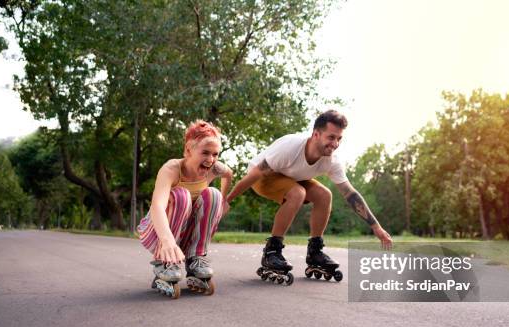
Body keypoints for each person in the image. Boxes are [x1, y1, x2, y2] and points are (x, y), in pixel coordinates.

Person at [226, 110, 392, 275]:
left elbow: (350, 194)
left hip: (292, 178)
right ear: (316, 134)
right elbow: (255, 173)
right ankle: (272, 252)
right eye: (331, 137)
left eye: (339, 139)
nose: (335, 144)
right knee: (298, 193)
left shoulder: (331, 161)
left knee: (324, 195)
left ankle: (315, 252)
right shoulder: (290, 147)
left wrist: (376, 227)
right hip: (262, 178)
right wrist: (227, 201)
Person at [137, 120, 232, 290]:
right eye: (205, 153)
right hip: (158, 232)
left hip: (187, 231)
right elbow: (157, 206)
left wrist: (225, 199)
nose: (211, 159)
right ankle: (165, 262)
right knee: (182, 195)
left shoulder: (214, 168)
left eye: (215, 154)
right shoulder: (172, 169)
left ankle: (196, 258)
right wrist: (167, 242)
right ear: (188, 150)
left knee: (214, 194)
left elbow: (229, 174)